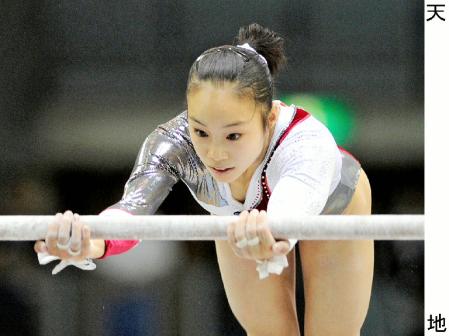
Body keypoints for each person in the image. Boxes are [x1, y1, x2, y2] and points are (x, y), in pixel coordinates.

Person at [34, 23, 374, 336]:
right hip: (245, 224)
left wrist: (272, 233)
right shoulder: (172, 143)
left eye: (233, 136)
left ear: (269, 118)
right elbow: (133, 210)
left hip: (333, 205)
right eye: (201, 132)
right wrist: (89, 242)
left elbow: (291, 209)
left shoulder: (307, 144)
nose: (214, 154)